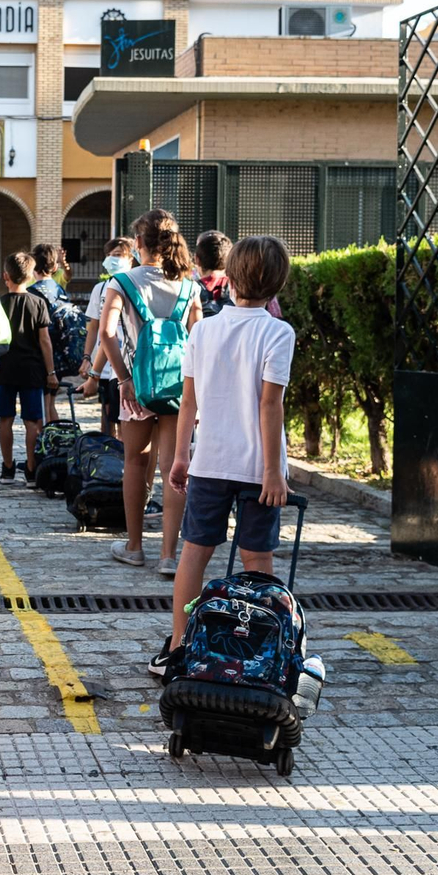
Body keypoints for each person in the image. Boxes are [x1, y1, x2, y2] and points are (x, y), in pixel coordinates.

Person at [157, 235, 295, 677]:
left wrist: (181, 456)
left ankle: (179, 646)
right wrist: (273, 472)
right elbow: (269, 406)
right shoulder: (278, 332)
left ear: (229, 278)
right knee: (258, 560)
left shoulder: (204, 329)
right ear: (278, 284)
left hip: (209, 462)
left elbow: (189, 401)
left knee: (194, 554)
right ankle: (259, 650)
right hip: (258, 469)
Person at [99, 209, 201, 579]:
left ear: (137, 243)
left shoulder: (121, 282)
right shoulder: (190, 287)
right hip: (178, 388)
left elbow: (106, 334)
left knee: (135, 464)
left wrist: (123, 379)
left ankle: (134, 546)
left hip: (137, 388)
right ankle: (169, 555)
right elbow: (198, 339)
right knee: (174, 468)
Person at [0, 251, 56, 483]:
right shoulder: (38, 303)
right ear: (31, 276)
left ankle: (8, 467)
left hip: (4, 368)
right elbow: (44, 341)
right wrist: (51, 372)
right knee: (33, 421)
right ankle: (31, 468)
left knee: (5, 420)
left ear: (5, 276)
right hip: (32, 369)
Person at [80, 237, 136, 438]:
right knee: (107, 416)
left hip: (126, 362)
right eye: (110, 255)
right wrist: (87, 357)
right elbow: (95, 328)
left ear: (131, 258)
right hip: (103, 365)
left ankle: (123, 456)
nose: (113, 259)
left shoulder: (135, 285)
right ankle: (109, 456)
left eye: (119, 255)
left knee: (126, 419)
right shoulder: (101, 288)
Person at [28, 243, 73, 422]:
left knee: (42, 406)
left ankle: (46, 444)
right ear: (54, 268)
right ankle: (54, 442)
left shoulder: (32, 291)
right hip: (60, 352)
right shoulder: (59, 288)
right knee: (50, 402)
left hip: (40, 355)